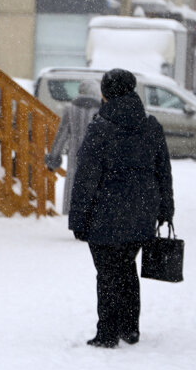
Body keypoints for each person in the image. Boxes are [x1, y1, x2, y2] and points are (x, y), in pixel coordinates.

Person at [68, 69, 174, 348]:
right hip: (141, 212)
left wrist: (78, 218)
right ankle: (130, 328)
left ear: (105, 94)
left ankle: (107, 333)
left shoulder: (100, 127)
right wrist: (166, 209)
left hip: (105, 214)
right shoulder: (150, 124)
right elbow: (163, 170)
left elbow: (86, 177)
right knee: (126, 268)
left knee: (108, 273)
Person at [45, 79, 100, 215]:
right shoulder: (103, 110)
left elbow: (61, 135)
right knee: (95, 185)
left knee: (73, 184)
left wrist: (53, 157)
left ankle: (72, 214)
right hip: (97, 155)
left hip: (75, 154)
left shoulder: (70, 109)